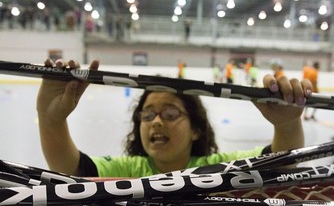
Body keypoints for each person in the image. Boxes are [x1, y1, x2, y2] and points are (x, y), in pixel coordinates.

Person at [37, 58, 312, 178]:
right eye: (147, 116)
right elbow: (70, 172)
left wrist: (287, 123)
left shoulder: (215, 170)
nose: (157, 122)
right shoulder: (129, 172)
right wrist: (51, 120)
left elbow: (282, 163)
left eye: (170, 114)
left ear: (195, 129)